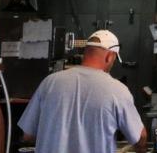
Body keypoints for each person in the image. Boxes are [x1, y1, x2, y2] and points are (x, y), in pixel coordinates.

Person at [18, 30, 148, 153]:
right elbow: (139, 138)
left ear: (86, 52)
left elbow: (28, 135)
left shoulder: (50, 82)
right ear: (109, 56)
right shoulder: (118, 90)